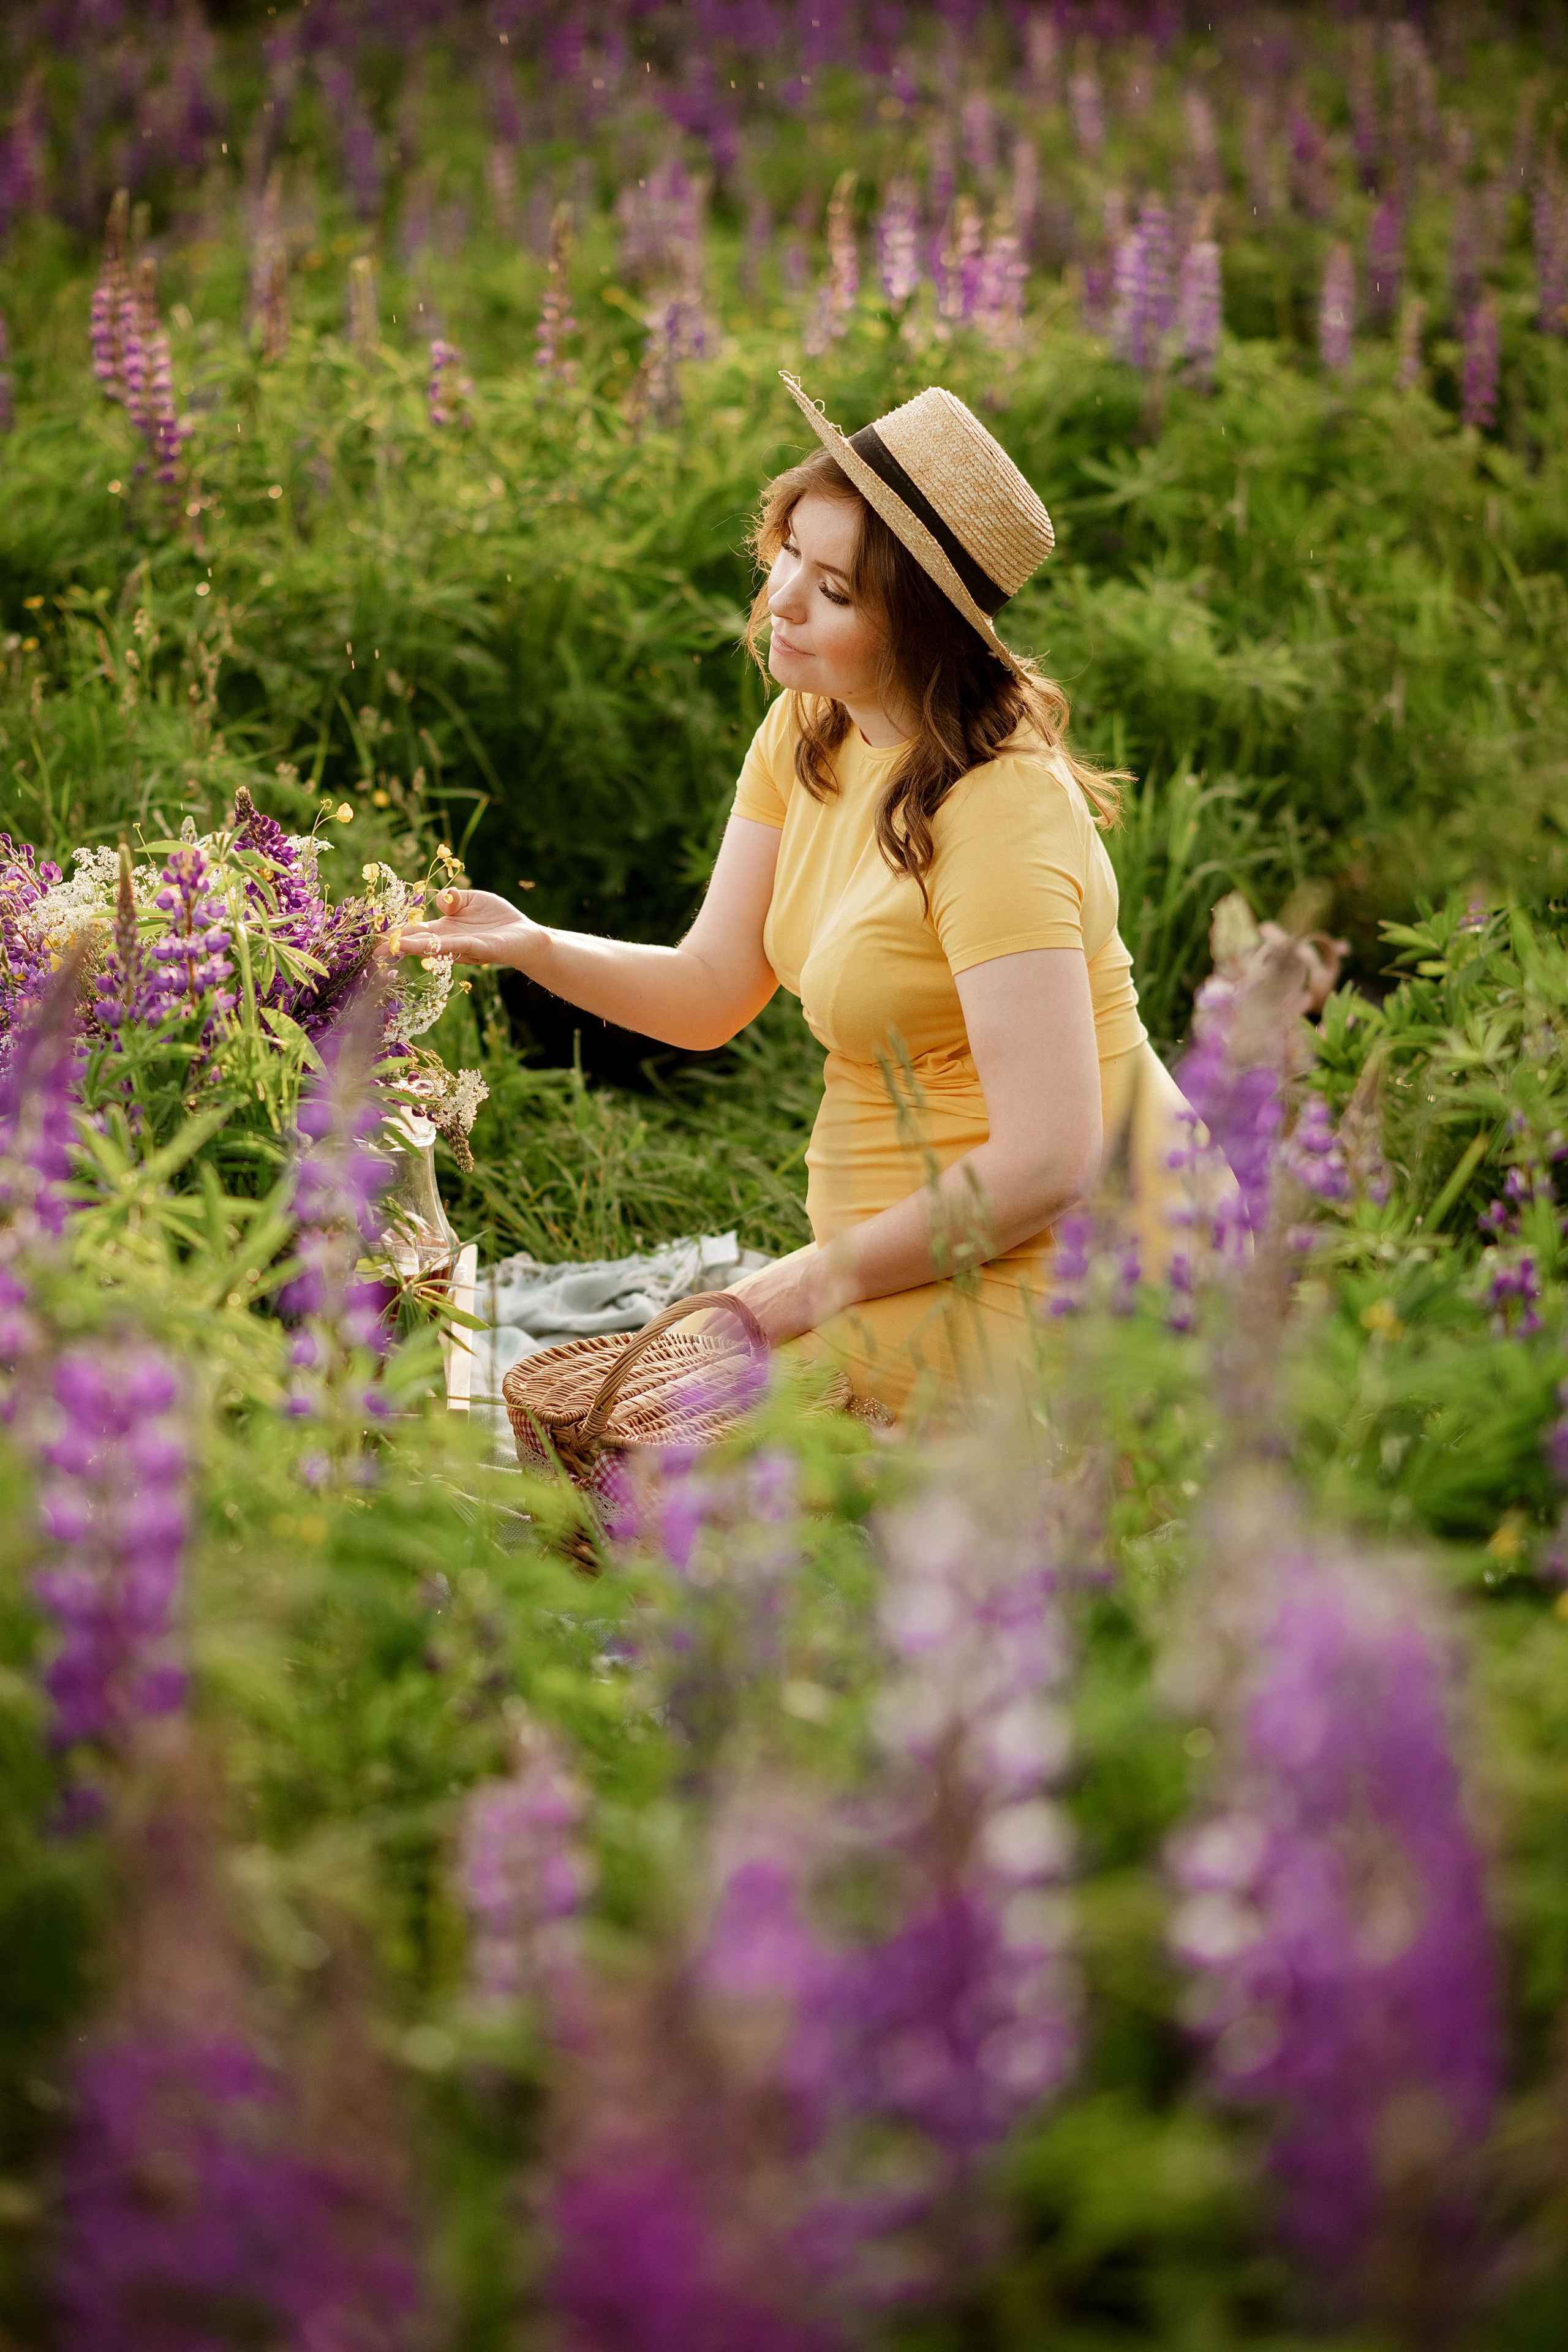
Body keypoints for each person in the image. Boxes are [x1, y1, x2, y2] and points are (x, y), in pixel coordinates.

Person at [393, 372, 1196, 1417]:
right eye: (789, 557)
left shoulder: (1004, 811)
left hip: (1068, 1268)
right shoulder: (812, 729)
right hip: (890, 1265)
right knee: (641, 1456)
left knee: (695, 1475)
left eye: (835, 591)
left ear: (921, 626)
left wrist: (803, 1284)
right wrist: (536, 943)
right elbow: (713, 988)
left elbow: (1049, 1161)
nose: (779, 600)